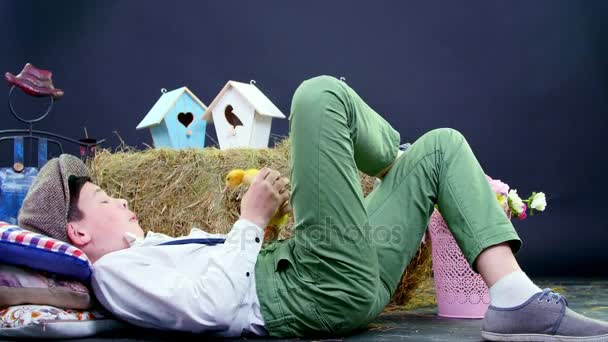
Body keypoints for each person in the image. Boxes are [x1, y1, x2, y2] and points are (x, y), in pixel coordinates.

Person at [18, 76, 608, 341]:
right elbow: (215, 308)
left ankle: (513, 298)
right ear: (76, 231)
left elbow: (228, 272)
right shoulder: (118, 273)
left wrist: (260, 230)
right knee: (318, 95)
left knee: (442, 147)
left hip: (336, 280)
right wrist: (249, 222)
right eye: (102, 197)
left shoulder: (147, 254)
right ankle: (381, 150)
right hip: (313, 289)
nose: (119, 195)